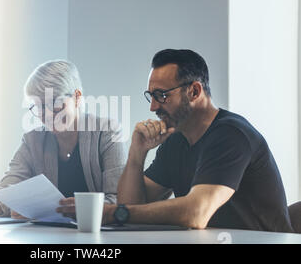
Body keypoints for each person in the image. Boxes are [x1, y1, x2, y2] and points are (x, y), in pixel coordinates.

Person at [98, 49, 293, 232]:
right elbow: (132, 208)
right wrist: (136, 154)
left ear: (194, 91)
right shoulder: (176, 140)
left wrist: (116, 212)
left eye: (162, 95)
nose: (153, 107)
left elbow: (196, 213)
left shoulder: (230, 135)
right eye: (151, 96)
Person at [0, 60, 126, 218]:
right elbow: (3, 199)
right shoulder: (33, 140)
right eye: (40, 107)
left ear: (77, 97)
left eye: (55, 103)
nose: (47, 115)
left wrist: (69, 210)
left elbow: (118, 200)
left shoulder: (106, 132)